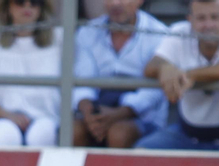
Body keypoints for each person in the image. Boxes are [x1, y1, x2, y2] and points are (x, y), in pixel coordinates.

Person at [139, 0, 219, 151]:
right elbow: (151, 67)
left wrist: (189, 75)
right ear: (190, 19)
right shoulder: (179, 31)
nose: (208, 25)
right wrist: (166, 68)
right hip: (185, 133)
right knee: (141, 153)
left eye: (214, 17)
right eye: (201, 18)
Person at [72, 0, 169, 148]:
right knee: (73, 131)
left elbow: (153, 92)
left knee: (119, 133)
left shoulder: (160, 33)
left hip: (141, 117)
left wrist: (118, 114)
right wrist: (89, 113)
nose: (116, 3)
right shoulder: (87, 32)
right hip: (97, 108)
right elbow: (81, 79)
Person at [0, 0, 64, 146]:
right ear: (7, 7)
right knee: (7, 135)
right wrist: (9, 116)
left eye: (35, 2)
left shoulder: (59, 39)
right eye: (20, 2)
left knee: (42, 135)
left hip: (45, 119)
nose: (28, 7)